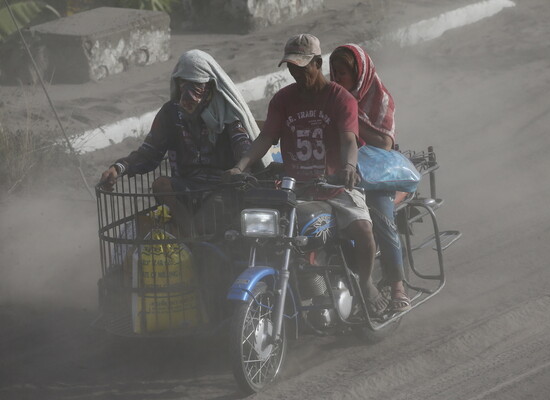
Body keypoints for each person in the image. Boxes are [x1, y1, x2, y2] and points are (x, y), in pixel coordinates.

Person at [224, 33, 387, 316]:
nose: (296, 73)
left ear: (318, 63)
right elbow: (265, 138)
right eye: (291, 67)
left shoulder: (340, 99)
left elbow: (349, 139)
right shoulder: (283, 100)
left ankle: (367, 282)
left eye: (302, 66)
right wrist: (241, 166)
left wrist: (348, 168)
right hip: (296, 189)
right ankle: (307, 294)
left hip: (336, 187)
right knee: (274, 238)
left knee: (363, 229)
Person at [100, 49, 268, 236]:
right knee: (161, 185)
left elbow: (242, 145)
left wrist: (239, 168)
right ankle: (191, 236)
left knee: (212, 214)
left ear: (210, 86)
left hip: (222, 186)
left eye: (196, 85)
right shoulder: (171, 114)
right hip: (188, 186)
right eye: (183, 84)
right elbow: (149, 152)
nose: (189, 94)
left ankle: (194, 237)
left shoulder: (226, 113)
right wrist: (119, 168)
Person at [329, 43, 411, 312]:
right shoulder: (330, 97)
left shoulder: (380, 98)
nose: (336, 78)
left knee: (382, 217)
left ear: (359, 75)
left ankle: (398, 285)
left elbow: (385, 142)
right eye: (333, 72)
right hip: (340, 170)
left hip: (375, 174)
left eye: (342, 73)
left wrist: (350, 117)